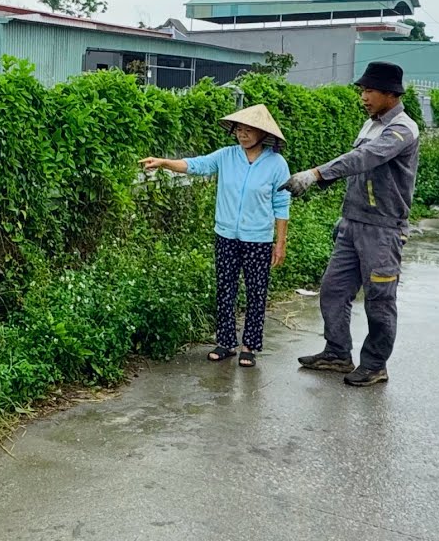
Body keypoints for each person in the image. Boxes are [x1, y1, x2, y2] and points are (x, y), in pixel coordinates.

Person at [281, 61, 419, 387]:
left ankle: (375, 365)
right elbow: (358, 166)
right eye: (362, 90)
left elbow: (363, 159)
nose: (363, 96)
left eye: (369, 90)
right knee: (332, 290)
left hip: (383, 230)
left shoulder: (402, 129)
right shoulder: (371, 124)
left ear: (390, 93)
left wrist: (315, 174)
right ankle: (338, 352)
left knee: (379, 300)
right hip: (352, 224)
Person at [140, 104, 291, 368]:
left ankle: (250, 346)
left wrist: (280, 243)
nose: (242, 135)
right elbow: (196, 165)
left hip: (258, 239)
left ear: (262, 134)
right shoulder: (227, 156)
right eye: (239, 130)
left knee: (256, 292)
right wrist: (164, 162)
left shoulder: (276, 164)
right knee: (225, 289)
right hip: (226, 235)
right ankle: (226, 343)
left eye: (248, 130)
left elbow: (282, 204)